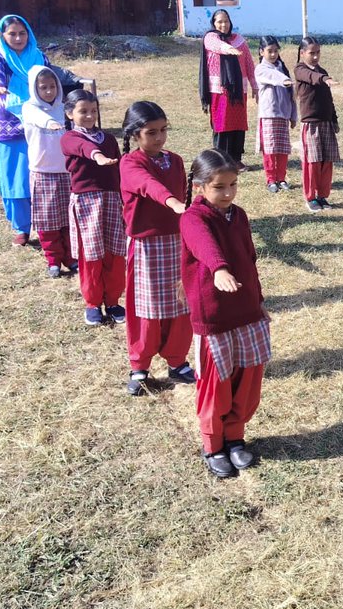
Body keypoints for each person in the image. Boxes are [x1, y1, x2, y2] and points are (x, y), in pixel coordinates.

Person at [180, 149, 271, 479]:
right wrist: (218, 269)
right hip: (214, 317)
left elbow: (249, 259)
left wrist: (258, 300)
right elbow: (205, 245)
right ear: (201, 186)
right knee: (215, 387)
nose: (228, 193)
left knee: (247, 383)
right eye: (219, 187)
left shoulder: (240, 216)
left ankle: (235, 438)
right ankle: (213, 444)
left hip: (247, 312)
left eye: (233, 184)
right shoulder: (193, 218)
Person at [0, 14, 89, 246]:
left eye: (22, 33)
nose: (18, 38)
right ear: (3, 35)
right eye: (12, 33)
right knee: (16, 178)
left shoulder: (38, 56)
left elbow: (50, 77)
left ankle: (50, 225)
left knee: (46, 177)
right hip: (11, 124)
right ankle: (21, 227)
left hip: (44, 123)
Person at [119, 101, 196, 396]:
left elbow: (188, 192)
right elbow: (147, 185)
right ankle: (140, 365)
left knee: (180, 302)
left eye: (164, 130)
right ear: (136, 134)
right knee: (146, 308)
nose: (160, 138)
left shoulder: (174, 160)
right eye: (152, 132)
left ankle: (177, 361)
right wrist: (173, 202)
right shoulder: (130, 163)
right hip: (147, 245)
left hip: (177, 241)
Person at [62, 89, 126, 327]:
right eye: (83, 112)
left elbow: (118, 170)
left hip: (111, 200)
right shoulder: (69, 138)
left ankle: (112, 301)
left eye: (93, 111)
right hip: (87, 203)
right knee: (92, 255)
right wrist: (97, 156)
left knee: (115, 252)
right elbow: (83, 148)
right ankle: (92, 303)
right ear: (69, 114)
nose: (89, 116)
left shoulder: (108, 139)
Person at [20, 67, 74, 279]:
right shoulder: (29, 108)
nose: (49, 91)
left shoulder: (64, 109)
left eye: (52, 86)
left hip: (66, 171)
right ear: (35, 89)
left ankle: (70, 258)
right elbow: (37, 118)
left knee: (69, 220)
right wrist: (50, 123)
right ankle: (53, 260)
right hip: (43, 173)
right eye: (43, 87)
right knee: (48, 221)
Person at [198, 9, 257, 167]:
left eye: (226, 21)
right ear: (214, 24)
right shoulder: (210, 37)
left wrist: (254, 85)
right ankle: (221, 160)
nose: (223, 25)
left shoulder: (239, 40)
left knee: (238, 124)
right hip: (219, 89)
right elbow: (216, 45)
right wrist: (228, 49)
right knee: (222, 124)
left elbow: (249, 63)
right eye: (220, 22)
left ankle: (236, 160)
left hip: (239, 89)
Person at [294, 36, 340, 212]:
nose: (315, 56)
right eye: (311, 53)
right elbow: (311, 76)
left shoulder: (322, 71)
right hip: (311, 124)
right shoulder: (300, 69)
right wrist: (324, 79)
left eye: (318, 52)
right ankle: (311, 197)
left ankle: (322, 195)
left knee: (326, 161)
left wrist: (334, 119)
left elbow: (329, 99)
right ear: (302, 53)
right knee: (312, 162)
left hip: (326, 123)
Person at [254, 35, 297, 193]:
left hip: (283, 115)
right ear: (261, 52)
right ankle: (271, 179)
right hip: (269, 115)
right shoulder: (261, 69)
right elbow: (272, 77)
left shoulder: (282, 68)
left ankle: (281, 178)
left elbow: (291, 95)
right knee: (270, 149)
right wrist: (284, 80)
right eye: (269, 51)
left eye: (275, 51)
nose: (273, 54)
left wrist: (293, 115)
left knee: (282, 149)